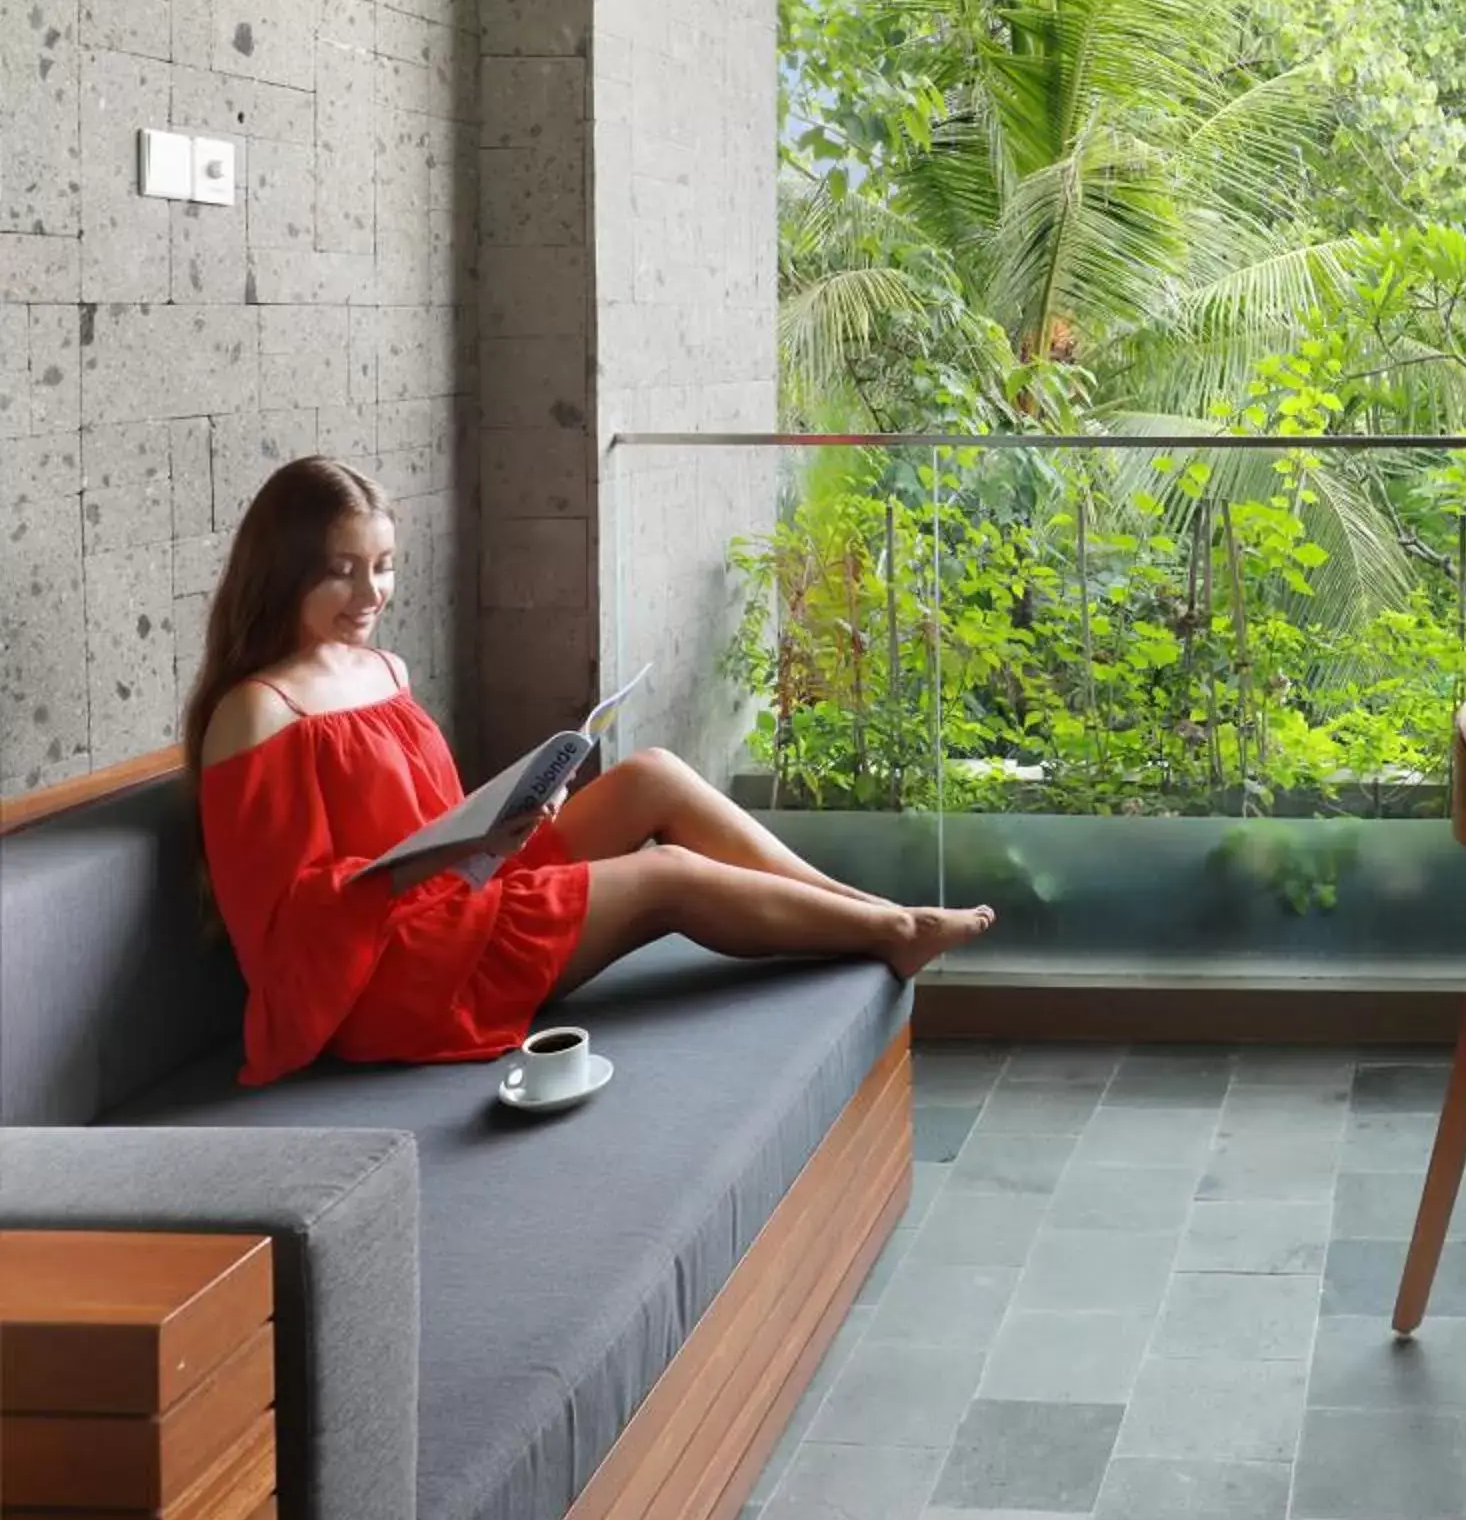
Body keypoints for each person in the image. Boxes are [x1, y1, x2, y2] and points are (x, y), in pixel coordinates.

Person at [184, 455, 990, 1086]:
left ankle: (875, 910)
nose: (371, 592)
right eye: (341, 570)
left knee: (654, 775)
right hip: (389, 980)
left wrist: (513, 813)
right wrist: (458, 848)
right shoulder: (257, 713)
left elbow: (425, 820)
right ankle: (895, 932)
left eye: (384, 565)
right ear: (284, 570)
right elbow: (286, 928)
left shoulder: (382, 670)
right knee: (668, 874)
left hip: (455, 897)